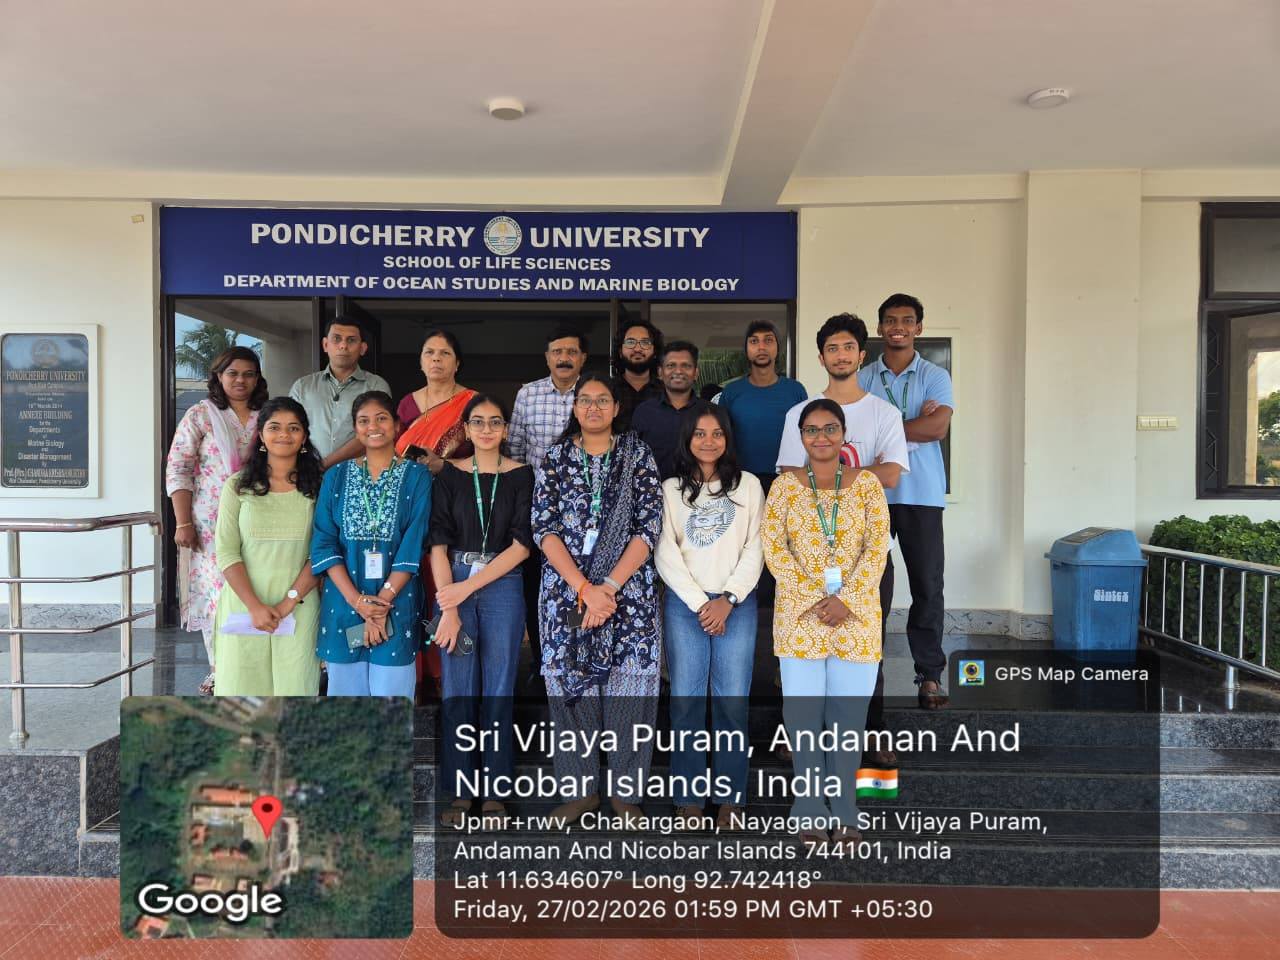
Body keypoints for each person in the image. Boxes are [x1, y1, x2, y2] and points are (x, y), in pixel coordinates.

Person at [531, 375, 663, 827]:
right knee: (572, 694)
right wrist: (584, 588)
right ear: (574, 408)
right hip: (566, 595)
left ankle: (626, 794)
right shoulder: (556, 457)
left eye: (601, 400)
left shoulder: (637, 454)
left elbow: (649, 527)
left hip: (628, 596)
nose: (592, 407)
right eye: (584, 400)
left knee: (630, 694)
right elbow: (543, 528)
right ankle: (580, 792)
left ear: (615, 407)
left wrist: (608, 586)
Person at [763, 399, 890, 844]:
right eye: (812, 430)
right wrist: (820, 600)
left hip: (856, 620)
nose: (821, 437)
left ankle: (845, 809)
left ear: (844, 434)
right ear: (801, 436)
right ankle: (809, 809)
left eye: (830, 428)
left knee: (847, 721)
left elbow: (877, 548)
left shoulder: (867, 484)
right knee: (803, 720)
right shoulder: (784, 487)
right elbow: (774, 548)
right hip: (801, 619)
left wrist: (846, 600)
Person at [654, 403, 763, 829]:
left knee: (732, 702)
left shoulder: (748, 486)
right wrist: (701, 603)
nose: (709, 441)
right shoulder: (670, 489)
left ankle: (730, 799)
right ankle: (689, 799)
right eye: (700, 433)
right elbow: (665, 552)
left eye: (717, 433)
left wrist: (728, 598)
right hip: (687, 607)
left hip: (737, 604)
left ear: (728, 439)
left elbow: (757, 546)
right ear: (687, 439)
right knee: (687, 702)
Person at [428, 394, 533, 828]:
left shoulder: (522, 475)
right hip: (452, 578)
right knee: (459, 689)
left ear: (505, 429)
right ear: (466, 429)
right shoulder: (449, 476)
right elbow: (437, 544)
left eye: (495, 422)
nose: (486, 429)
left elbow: (523, 545)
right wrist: (449, 606)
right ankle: (461, 790)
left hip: (503, 584)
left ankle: (495, 791)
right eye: (478, 422)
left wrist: (466, 588)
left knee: (499, 689)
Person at [859, 293, 954, 713]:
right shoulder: (863, 377)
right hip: (872, 494)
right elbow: (856, 431)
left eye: (907, 320)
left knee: (927, 585)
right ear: (880, 327)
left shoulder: (935, 375)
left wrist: (886, 426)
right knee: (870, 588)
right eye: (891, 320)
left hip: (922, 494)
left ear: (919, 327)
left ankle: (929, 673)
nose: (898, 326)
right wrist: (912, 422)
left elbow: (937, 428)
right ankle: (867, 670)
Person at [310, 391, 431, 697]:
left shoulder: (417, 476)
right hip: (344, 602)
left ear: (397, 425)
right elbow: (324, 542)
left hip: (396, 603)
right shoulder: (336, 477)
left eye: (381, 418)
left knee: (392, 701)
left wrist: (378, 606)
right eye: (364, 421)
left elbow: (414, 542)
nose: (373, 426)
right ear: (356, 428)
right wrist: (357, 602)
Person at [165, 346, 267, 695]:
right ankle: (219, 669)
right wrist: (183, 522)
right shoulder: (200, 415)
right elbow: (179, 468)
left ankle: (252, 667)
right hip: (210, 521)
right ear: (219, 377)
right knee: (216, 592)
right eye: (233, 373)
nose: (240, 380)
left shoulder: (267, 415)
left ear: (258, 379)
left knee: (257, 587)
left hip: (258, 517)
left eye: (249, 374)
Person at [210, 397, 323, 696]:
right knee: (241, 698)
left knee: (295, 693)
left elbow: (321, 553)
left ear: (304, 436)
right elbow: (227, 551)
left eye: (293, 428)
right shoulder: (237, 486)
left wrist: (287, 603)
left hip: (299, 605)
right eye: (274, 427)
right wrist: (255, 606)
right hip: (243, 605)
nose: (284, 434)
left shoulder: (318, 488)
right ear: (260, 435)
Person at [507, 328, 588, 685]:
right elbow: (515, 452)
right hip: (537, 510)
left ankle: (579, 658)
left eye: (571, 351)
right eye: (557, 351)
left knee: (579, 585)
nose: (564, 357)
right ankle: (542, 662)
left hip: (584, 514)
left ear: (582, 358)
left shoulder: (592, 394)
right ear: (547, 357)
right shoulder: (528, 394)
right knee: (537, 588)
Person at [775, 314, 907, 486]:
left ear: (861, 356)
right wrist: (868, 474)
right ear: (821, 359)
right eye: (832, 349)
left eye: (849, 347)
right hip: (814, 506)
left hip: (866, 507)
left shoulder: (887, 413)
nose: (841, 356)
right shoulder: (798, 413)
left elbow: (889, 477)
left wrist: (815, 475)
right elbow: (791, 478)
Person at [717, 320, 807, 496]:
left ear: (778, 347)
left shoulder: (795, 390)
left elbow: (806, 435)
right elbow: (722, 436)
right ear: (746, 349)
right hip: (741, 481)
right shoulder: (732, 392)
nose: (761, 347)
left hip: (787, 480)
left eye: (768, 340)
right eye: (754, 341)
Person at [289, 319, 391, 468]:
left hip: (359, 473)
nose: (343, 345)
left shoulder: (376, 386)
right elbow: (289, 430)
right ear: (325, 345)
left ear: (362, 348)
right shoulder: (302, 387)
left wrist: (324, 465)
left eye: (351, 340)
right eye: (336, 339)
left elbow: (374, 433)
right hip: (307, 472)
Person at [395, 329, 476, 474]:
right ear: (421, 362)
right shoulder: (407, 403)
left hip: (459, 483)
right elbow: (393, 454)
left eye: (445, 353)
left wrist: (442, 465)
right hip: (411, 484)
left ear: (457, 363)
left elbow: (488, 458)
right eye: (429, 352)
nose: (436, 358)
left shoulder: (474, 402)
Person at [631, 340, 700, 480]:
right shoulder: (644, 412)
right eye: (671, 365)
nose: (678, 371)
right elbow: (632, 458)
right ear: (660, 372)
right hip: (653, 491)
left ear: (696, 373)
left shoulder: (710, 413)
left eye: (686, 366)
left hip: (700, 491)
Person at [614, 319, 664, 429]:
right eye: (630, 342)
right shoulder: (608, 389)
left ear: (655, 352)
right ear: (620, 352)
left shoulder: (666, 392)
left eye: (645, 342)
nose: (637, 349)